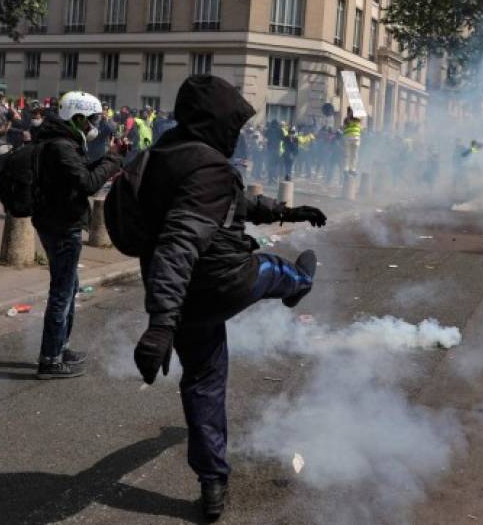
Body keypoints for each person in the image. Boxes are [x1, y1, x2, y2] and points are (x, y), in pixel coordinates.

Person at [131, 75, 327, 521]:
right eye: (232, 123)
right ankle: (300, 284)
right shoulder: (209, 168)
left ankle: (212, 482)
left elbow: (231, 205)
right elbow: (179, 242)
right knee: (275, 268)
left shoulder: (161, 157)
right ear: (215, 121)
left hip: (187, 302)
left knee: (203, 383)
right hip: (223, 281)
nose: (236, 133)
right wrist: (159, 324)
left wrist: (285, 210)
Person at [32, 92, 125, 379]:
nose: (96, 124)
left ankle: (61, 347)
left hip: (58, 221)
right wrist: (113, 160)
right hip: (62, 225)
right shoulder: (60, 145)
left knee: (69, 288)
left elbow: (80, 173)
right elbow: (87, 183)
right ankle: (50, 359)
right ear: (79, 118)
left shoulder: (62, 141)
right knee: (61, 293)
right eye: (93, 119)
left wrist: (109, 158)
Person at [342, 106, 361, 175]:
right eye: (351, 111)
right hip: (348, 138)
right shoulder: (346, 120)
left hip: (356, 138)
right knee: (347, 154)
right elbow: (344, 127)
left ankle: (352, 169)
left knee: (354, 155)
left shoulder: (357, 119)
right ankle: (346, 168)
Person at [265, 119, 283, 183]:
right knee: (275, 165)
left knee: (270, 164)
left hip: (269, 150)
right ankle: (274, 178)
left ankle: (270, 179)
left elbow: (265, 137)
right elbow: (282, 138)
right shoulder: (280, 130)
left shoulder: (269, 129)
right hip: (276, 150)